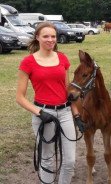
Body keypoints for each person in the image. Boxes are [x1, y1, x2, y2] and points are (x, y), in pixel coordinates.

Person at [16, 21, 84, 184]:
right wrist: (39, 113)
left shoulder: (62, 58)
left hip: (65, 113)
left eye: (53, 36)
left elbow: (66, 91)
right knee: (47, 159)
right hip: (43, 114)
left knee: (69, 161)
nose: (50, 39)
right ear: (37, 37)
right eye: (46, 36)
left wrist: (76, 115)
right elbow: (20, 97)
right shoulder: (28, 62)